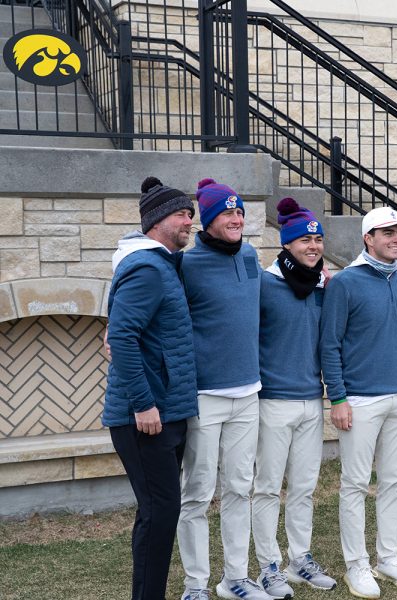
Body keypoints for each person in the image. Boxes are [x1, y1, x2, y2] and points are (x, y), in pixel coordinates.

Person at [320, 207, 397, 598]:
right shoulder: (345, 283)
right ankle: (356, 565)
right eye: (388, 233)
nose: (396, 239)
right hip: (360, 399)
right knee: (355, 484)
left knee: (395, 482)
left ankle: (389, 558)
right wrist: (339, 397)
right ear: (368, 238)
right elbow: (329, 343)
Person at [104, 177, 198, 600]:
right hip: (145, 415)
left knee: (160, 511)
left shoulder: (163, 265)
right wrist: (143, 405)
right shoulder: (146, 267)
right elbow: (121, 337)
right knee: (161, 511)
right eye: (181, 214)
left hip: (166, 410)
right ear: (157, 220)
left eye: (191, 214)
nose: (189, 222)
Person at [177, 179, 268, 600]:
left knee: (239, 488)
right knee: (197, 493)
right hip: (204, 396)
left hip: (248, 393)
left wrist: (314, 277)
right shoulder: (185, 264)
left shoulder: (250, 255)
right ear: (208, 220)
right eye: (227, 214)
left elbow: (269, 294)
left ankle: (235, 580)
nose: (236, 219)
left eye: (239, 212)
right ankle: (195, 586)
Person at [251, 199, 336, 600]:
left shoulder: (321, 287)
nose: (314, 246)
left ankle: (298, 559)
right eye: (305, 239)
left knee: (304, 486)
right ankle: (268, 565)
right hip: (272, 401)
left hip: (310, 400)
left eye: (318, 239)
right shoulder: (264, 284)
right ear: (287, 244)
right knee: (268, 487)